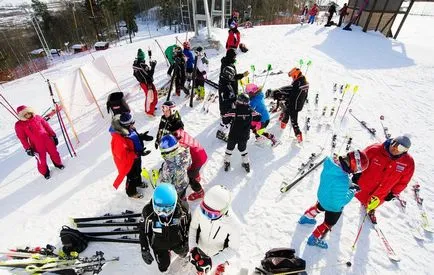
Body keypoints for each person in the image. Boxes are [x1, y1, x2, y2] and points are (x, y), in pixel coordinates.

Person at [298, 150, 369, 249]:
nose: (356, 172)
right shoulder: (342, 181)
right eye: (357, 169)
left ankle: (306, 218)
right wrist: (352, 191)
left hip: (322, 196)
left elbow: (336, 178)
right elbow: (342, 200)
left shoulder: (331, 164)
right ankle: (314, 238)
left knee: (318, 207)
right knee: (328, 223)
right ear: (354, 165)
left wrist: (349, 184)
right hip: (333, 207)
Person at [353, 136, 415, 224]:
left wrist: (394, 193)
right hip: (362, 186)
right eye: (395, 144)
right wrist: (357, 173)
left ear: (405, 151)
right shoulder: (374, 150)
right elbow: (360, 161)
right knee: (351, 203)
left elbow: (403, 181)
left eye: (400, 148)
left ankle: (371, 209)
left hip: (381, 193)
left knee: (374, 203)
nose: (395, 149)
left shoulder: (408, 163)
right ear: (392, 141)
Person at [189, 185, 241, 275]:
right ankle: (201, 270)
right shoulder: (200, 209)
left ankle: (221, 264)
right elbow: (193, 228)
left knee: (220, 260)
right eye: (204, 211)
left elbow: (232, 249)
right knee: (201, 264)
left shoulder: (234, 224)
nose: (207, 216)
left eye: (212, 215)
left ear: (223, 211)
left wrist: (212, 261)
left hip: (219, 253)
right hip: (201, 247)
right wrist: (193, 247)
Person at [139, 183, 190, 272]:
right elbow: (143, 230)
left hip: (177, 240)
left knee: (183, 253)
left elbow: (187, 225)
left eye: (167, 209)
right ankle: (166, 256)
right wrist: (144, 248)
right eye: (159, 209)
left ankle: (179, 253)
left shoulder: (182, 210)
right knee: (163, 267)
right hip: (158, 244)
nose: (163, 213)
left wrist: (186, 240)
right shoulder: (148, 212)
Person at [110, 113, 153, 198]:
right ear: (127, 125)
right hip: (129, 161)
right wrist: (137, 154)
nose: (134, 125)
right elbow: (123, 156)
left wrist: (141, 137)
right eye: (132, 123)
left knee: (138, 171)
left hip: (136, 157)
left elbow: (133, 138)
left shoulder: (129, 129)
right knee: (132, 176)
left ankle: (138, 183)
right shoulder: (118, 139)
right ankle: (131, 192)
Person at [15, 105, 64, 179]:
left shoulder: (37, 117)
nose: (28, 115)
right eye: (25, 115)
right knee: (41, 159)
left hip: (47, 140)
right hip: (36, 144)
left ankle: (58, 164)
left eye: (29, 113)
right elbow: (22, 138)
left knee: (54, 153)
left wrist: (53, 135)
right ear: (22, 116)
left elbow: (47, 126)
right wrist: (27, 148)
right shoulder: (19, 125)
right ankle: (45, 172)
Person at [266, 68, 309, 143]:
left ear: (296, 75)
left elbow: (289, 90)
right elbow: (295, 92)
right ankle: (283, 125)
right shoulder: (304, 82)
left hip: (294, 105)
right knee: (286, 111)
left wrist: (279, 91)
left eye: (293, 76)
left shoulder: (297, 83)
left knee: (294, 122)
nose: (292, 78)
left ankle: (299, 137)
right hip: (298, 103)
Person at [223, 93, 261, 173]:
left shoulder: (234, 111)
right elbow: (259, 117)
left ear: (240, 102)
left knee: (229, 148)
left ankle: (227, 162)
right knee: (243, 149)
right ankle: (246, 163)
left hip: (233, 135)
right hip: (244, 136)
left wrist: (228, 116)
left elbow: (225, 119)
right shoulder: (250, 111)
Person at [216, 48, 249, 142]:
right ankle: (222, 131)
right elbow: (226, 98)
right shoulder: (226, 67)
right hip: (227, 105)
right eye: (234, 56)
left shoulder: (226, 76)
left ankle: (223, 127)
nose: (235, 57)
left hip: (230, 94)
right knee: (228, 118)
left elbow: (231, 76)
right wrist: (236, 99)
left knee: (227, 117)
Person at [174, 129, 208, 201]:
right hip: (200, 152)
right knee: (194, 170)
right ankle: (196, 175)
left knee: (190, 178)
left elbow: (183, 162)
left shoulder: (180, 146)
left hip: (197, 159)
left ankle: (200, 192)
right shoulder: (179, 131)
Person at [159, 134, 192, 203]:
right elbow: (189, 163)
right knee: (182, 195)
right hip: (184, 182)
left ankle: (180, 203)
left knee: (176, 199)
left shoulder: (168, 167)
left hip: (175, 189)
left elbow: (165, 182)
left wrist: (160, 173)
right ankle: (183, 199)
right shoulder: (185, 151)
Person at [132, 48, 158, 116]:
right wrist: (153, 66)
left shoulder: (135, 63)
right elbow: (150, 74)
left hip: (143, 83)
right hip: (147, 83)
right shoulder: (142, 65)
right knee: (152, 97)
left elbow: (134, 74)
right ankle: (149, 111)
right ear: (143, 57)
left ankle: (150, 108)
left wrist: (140, 79)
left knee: (149, 96)